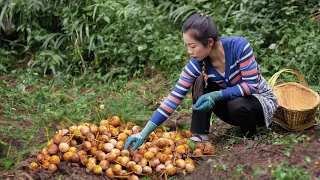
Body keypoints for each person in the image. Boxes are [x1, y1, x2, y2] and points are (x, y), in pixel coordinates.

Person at [124, 13, 278, 151]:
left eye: (193, 46)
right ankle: (200, 134)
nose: (189, 52)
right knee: (200, 80)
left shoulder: (239, 47)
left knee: (236, 104)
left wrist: (218, 94)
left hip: (258, 103)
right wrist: (143, 133)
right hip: (232, 109)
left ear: (209, 42)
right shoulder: (198, 63)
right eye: (187, 46)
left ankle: (251, 134)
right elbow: (173, 98)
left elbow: (251, 86)